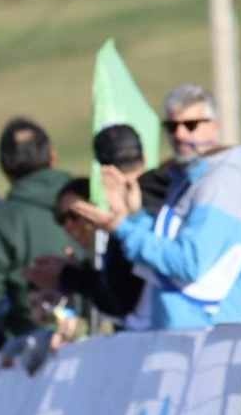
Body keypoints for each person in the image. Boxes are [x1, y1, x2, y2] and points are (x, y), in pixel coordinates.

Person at [102, 84, 241, 329]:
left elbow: (188, 263)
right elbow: (166, 245)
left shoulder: (221, 183)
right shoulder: (187, 178)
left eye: (190, 125)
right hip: (184, 336)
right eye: (171, 126)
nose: (179, 135)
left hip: (215, 335)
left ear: (215, 126)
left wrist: (122, 228)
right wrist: (135, 216)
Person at [25, 124, 167, 325]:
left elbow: (118, 298)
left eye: (76, 214)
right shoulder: (173, 192)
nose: (69, 224)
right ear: (144, 158)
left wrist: (67, 275)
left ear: (104, 172)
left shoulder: (127, 211)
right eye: (62, 218)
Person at [0, 117, 72, 350]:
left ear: (3, 166)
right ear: (52, 156)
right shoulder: (86, 198)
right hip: (93, 336)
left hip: (34, 342)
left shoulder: (3, 218)